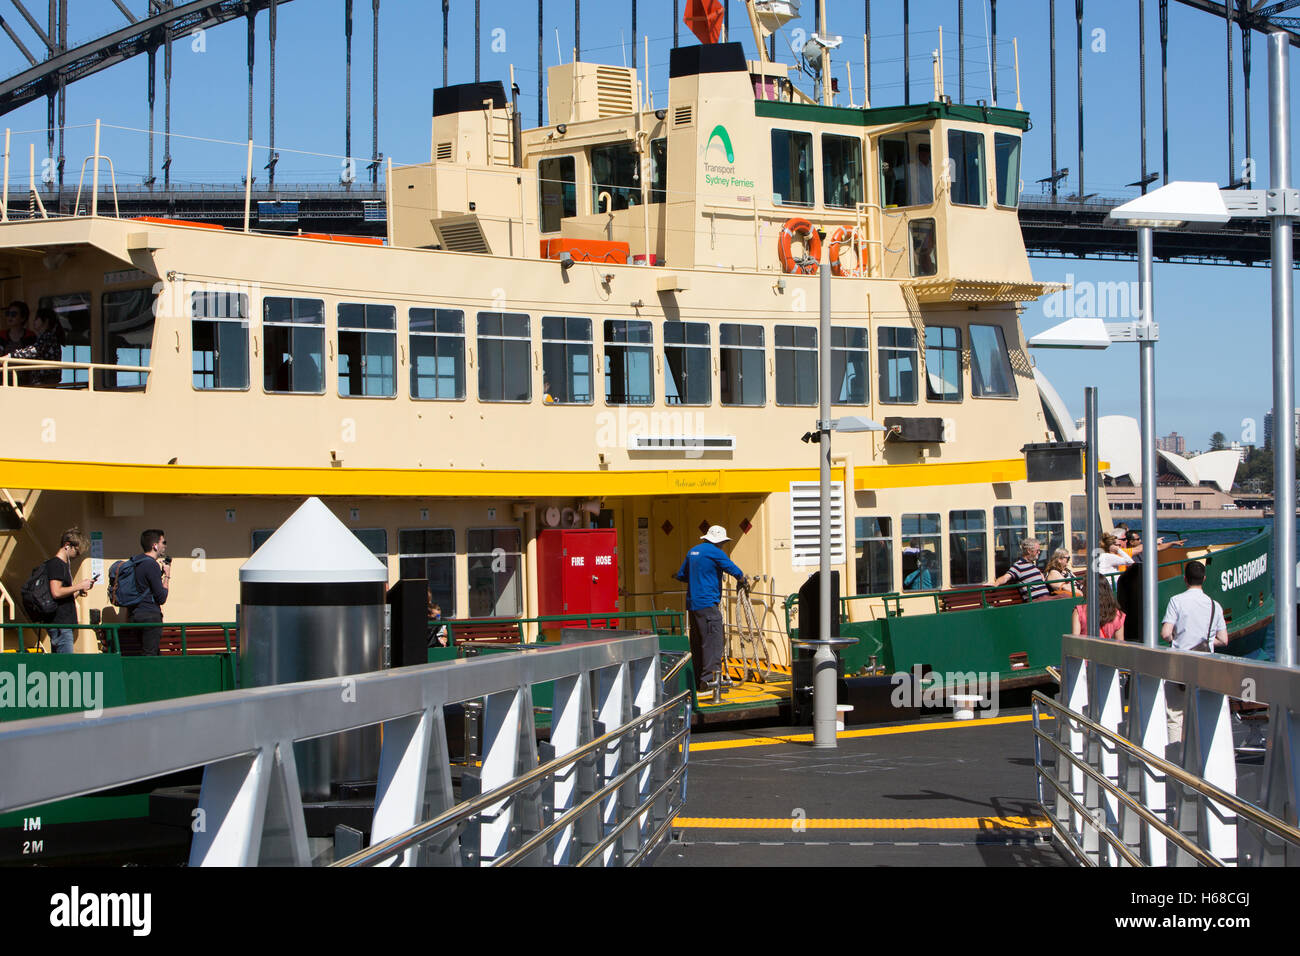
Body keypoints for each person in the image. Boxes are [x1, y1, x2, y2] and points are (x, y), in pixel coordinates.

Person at [1160, 560, 1228, 744]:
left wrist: (1177, 638)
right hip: (1206, 666)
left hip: (1180, 665)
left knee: (1175, 715)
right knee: (1203, 713)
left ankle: (1175, 765)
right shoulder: (1215, 605)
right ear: (1204, 579)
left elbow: (1166, 633)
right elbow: (1223, 639)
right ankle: (1203, 759)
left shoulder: (1176, 601)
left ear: (1185, 579)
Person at [675, 525, 746, 692]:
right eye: (723, 543)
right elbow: (734, 570)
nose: (723, 546)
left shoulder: (693, 551)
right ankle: (711, 682)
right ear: (719, 542)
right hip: (708, 605)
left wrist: (698, 578)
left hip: (693, 606)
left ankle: (699, 681)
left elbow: (681, 575)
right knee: (713, 643)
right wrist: (743, 580)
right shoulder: (715, 552)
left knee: (698, 642)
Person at [44, 528, 94, 653]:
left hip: (61, 623)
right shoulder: (57, 564)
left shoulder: (61, 565)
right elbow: (56, 592)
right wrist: (78, 585)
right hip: (61, 624)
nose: (77, 555)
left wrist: (78, 591)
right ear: (67, 545)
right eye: (77, 551)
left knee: (61, 665)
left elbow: (61, 595)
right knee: (66, 666)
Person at [127, 529, 170, 656]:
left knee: (153, 653)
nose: (165, 545)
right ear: (155, 546)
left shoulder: (136, 562)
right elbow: (161, 597)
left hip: (135, 615)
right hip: (150, 617)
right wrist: (167, 576)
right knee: (149, 656)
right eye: (163, 542)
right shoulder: (151, 565)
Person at [8, 306, 63, 386]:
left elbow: (33, 351)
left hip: (45, 380)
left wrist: (11, 356)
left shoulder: (48, 336)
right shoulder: (47, 336)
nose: (34, 322)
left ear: (46, 321)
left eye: (37, 319)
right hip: (44, 379)